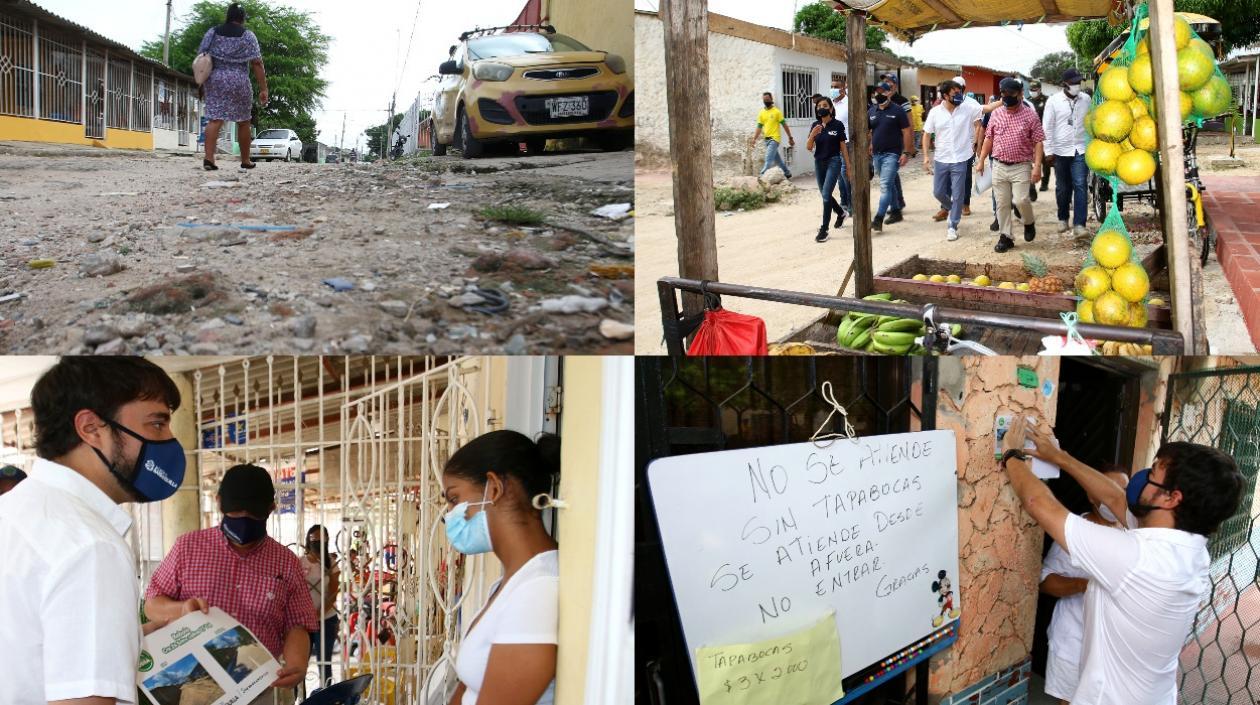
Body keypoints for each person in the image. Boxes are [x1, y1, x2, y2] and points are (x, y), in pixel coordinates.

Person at [1000, 416, 1244, 705]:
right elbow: (1116, 499)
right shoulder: (1187, 548)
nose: (1143, 478)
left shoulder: (1136, 557)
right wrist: (1059, 458)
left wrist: (1011, 455)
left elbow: (1038, 504)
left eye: (1153, 473)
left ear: (1171, 499)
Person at [0, 357, 184, 704]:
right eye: (157, 423)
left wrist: (132, 636)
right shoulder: (90, 547)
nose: (171, 440)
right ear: (91, 428)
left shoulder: (15, 511)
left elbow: (29, 648)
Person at [145, 464, 318, 705]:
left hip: (260, 687)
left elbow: (297, 623)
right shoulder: (188, 548)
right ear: (219, 503)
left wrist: (296, 665)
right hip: (197, 689)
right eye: (237, 512)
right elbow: (152, 604)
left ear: (271, 508)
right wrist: (180, 609)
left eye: (254, 513)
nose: (245, 519)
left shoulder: (285, 562)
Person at [445, 431, 561, 705]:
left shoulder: (538, 590)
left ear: (494, 488)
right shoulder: (511, 582)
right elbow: (467, 687)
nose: (449, 514)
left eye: (453, 498)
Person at [1039, 466, 1129, 705]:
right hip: (1073, 642)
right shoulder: (1074, 531)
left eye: (1122, 490)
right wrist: (1085, 584)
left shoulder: (1134, 535)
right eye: (1107, 488)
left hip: (1115, 648)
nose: (1115, 495)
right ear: (1091, 494)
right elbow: (1045, 581)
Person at [977, 77, 1045, 253]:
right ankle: (1005, 236)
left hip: (1021, 165)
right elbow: (989, 138)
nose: (1007, 97)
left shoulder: (1030, 115)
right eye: (1004, 94)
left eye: (1011, 94)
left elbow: (1038, 141)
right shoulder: (996, 113)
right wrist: (982, 160)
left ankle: (1029, 222)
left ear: (1021, 94)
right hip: (999, 165)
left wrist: (1037, 166)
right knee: (1002, 203)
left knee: (1021, 200)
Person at [199, 3, 269, 171]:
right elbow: (257, 63)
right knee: (244, 121)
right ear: (243, 18)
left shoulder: (212, 32)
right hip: (239, 80)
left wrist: (200, 83)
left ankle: (209, 158)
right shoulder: (248, 36)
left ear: (227, 16)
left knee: (215, 119)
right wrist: (263, 88)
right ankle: (245, 160)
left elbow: (201, 57)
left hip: (216, 79)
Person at [922, 79, 983, 242]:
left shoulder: (968, 109)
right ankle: (951, 208)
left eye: (960, 92)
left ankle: (952, 225)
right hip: (942, 159)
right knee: (938, 192)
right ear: (945, 95)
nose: (959, 96)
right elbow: (927, 134)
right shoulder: (935, 112)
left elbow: (981, 119)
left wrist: (976, 142)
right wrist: (926, 156)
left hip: (961, 159)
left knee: (958, 195)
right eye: (955, 93)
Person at [1043, 68, 1092, 238]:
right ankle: (1063, 218)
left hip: (1080, 148)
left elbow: (1091, 122)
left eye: (1079, 82)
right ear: (1065, 84)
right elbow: (1047, 127)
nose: (1077, 86)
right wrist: (1048, 151)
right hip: (1060, 151)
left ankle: (1080, 224)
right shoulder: (1053, 101)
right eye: (1073, 83)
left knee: (1080, 185)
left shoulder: (1086, 99)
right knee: (1063, 188)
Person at [868, 81, 913, 231]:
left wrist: (906, 152)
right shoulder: (872, 111)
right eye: (877, 92)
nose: (879, 94)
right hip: (877, 155)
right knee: (890, 182)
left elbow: (906, 131)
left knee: (885, 185)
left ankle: (878, 218)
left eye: (883, 91)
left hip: (892, 154)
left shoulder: (898, 110)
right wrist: (869, 144)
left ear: (889, 93)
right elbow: (869, 131)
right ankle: (895, 211)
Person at [807, 96, 853, 243]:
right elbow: (809, 147)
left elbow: (843, 147)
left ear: (831, 109)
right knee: (824, 194)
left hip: (834, 162)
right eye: (819, 105)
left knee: (826, 193)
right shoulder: (815, 125)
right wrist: (813, 134)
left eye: (825, 105)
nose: (822, 107)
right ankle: (841, 213)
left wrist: (848, 166)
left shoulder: (838, 125)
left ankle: (824, 229)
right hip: (819, 163)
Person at [304, 524, 341, 689]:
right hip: (303, 620)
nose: (318, 542)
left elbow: (334, 591)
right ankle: (300, 696)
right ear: (308, 540)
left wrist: (319, 614)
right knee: (300, 662)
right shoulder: (299, 562)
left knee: (324, 662)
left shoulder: (331, 563)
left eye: (321, 539)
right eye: (314, 539)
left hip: (327, 619)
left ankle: (327, 696)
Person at [751, 92, 795, 179]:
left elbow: (784, 125)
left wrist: (790, 137)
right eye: (764, 100)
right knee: (777, 159)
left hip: (775, 139)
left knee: (768, 159)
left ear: (771, 99)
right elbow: (759, 127)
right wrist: (754, 139)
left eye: (767, 100)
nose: (766, 101)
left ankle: (761, 176)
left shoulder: (777, 112)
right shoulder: (761, 113)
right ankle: (787, 173)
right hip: (766, 140)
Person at [954, 75, 981, 216]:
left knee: (965, 176)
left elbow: (978, 126)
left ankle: (965, 204)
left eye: (958, 88)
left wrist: (976, 145)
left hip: (967, 146)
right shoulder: (945, 103)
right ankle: (947, 204)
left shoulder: (972, 104)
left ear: (963, 89)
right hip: (950, 146)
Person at [1027, 79, 1052, 200]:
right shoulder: (1028, 101)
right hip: (1031, 134)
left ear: (1040, 89)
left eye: (1035, 90)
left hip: (1044, 133)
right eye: (1031, 90)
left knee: (1045, 160)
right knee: (1031, 159)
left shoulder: (1047, 100)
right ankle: (1031, 185)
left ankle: (1045, 183)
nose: (1033, 92)